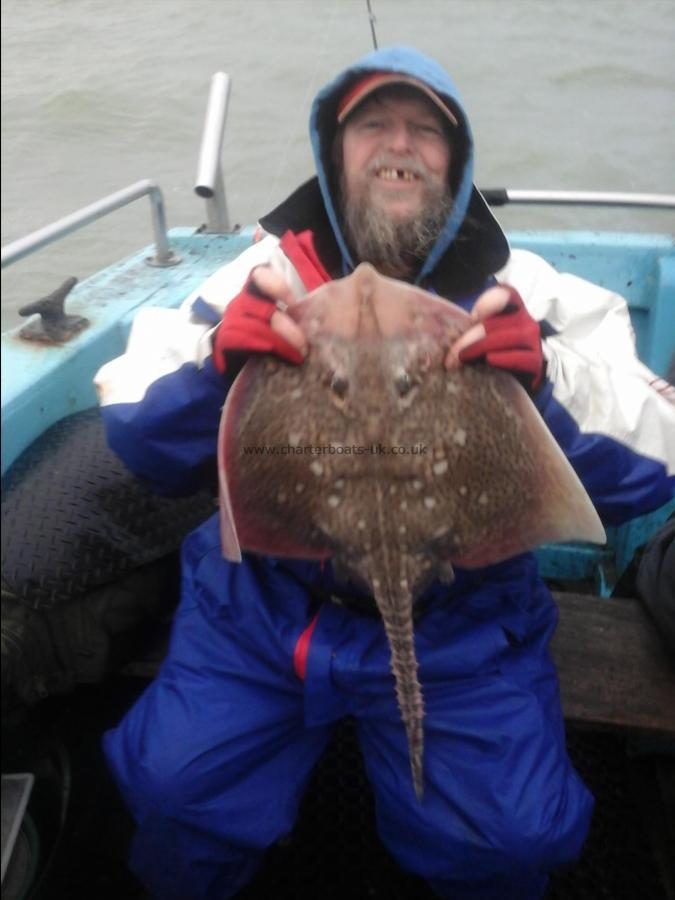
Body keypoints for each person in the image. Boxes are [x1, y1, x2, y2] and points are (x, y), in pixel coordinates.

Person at [94, 46, 675, 900]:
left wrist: (547, 378)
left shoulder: (524, 292)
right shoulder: (260, 281)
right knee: (174, 791)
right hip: (265, 606)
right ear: (334, 152)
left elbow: (656, 456)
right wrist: (217, 365)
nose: (397, 143)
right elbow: (137, 434)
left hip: (462, 618)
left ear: (456, 156)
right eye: (372, 124)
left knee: (508, 842)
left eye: (423, 130)